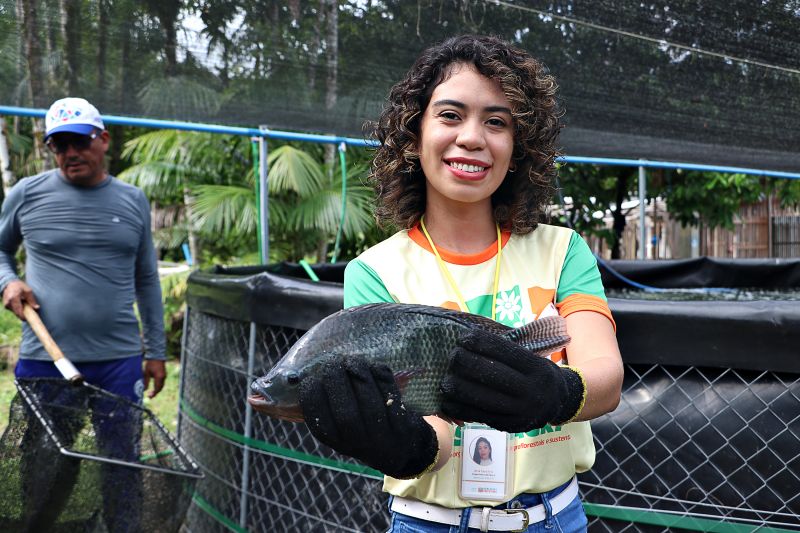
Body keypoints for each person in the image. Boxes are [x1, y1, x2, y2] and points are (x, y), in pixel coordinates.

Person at [298, 35, 623, 532]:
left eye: (497, 122)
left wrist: (556, 394)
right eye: (450, 115)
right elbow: (435, 428)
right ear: (413, 136)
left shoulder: (562, 250)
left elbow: (605, 376)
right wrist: (409, 445)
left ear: (517, 149)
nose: (472, 137)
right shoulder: (376, 272)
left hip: (554, 518)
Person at [0, 97, 167, 531]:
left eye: (78, 142)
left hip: (117, 360)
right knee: (43, 460)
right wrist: (8, 281)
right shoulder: (27, 194)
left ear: (103, 140)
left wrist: (156, 351)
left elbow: (147, 280)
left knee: (121, 460)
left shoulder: (132, 200)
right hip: (45, 360)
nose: (68, 153)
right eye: (58, 146)